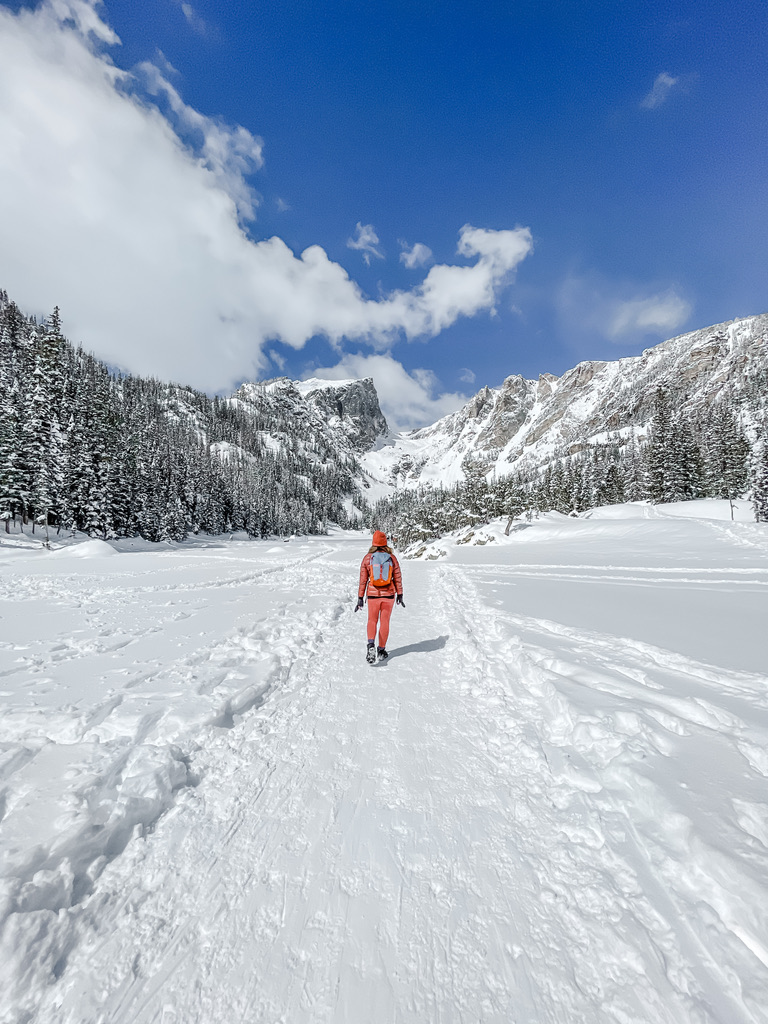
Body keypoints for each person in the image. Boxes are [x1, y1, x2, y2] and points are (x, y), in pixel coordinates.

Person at [355, 530, 404, 663]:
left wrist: (360, 597)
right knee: (385, 622)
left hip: (373, 595)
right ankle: (381, 650)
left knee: (372, 620)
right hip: (389, 595)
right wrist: (400, 594)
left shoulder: (368, 558)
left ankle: (371, 645)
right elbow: (398, 578)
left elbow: (363, 580)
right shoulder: (392, 558)